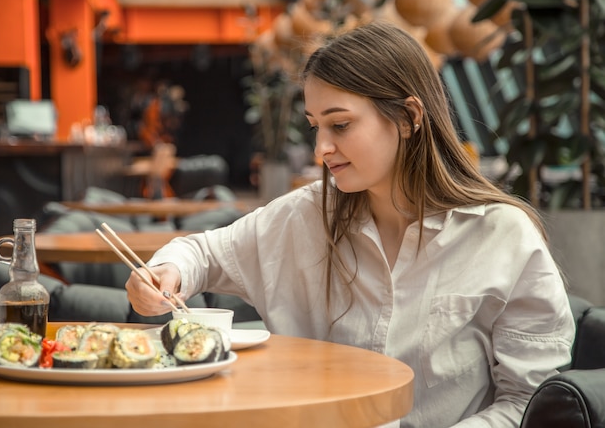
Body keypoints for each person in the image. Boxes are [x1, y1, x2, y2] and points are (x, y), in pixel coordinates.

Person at [125, 22, 575, 428]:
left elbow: (528, 402)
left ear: (409, 117)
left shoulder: (501, 236)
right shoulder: (305, 217)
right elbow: (203, 253)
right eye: (315, 126)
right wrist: (167, 273)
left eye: (340, 125)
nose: (322, 148)